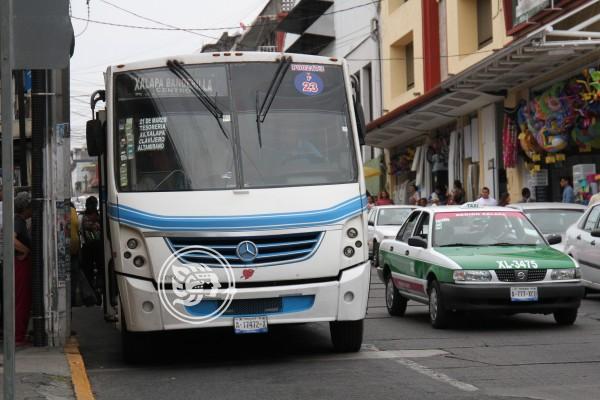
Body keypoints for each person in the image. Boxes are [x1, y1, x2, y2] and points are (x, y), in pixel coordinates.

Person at [14, 192, 33, 345]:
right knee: (22, 300)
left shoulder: (19, 221)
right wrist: (25, 250)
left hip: (20, 264)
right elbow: (11, 238)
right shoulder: (18, 222)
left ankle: (19, 334)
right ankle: (19, 336)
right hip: (20, 264)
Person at [80, 196, 103, 305]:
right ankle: (92, 295)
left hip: (93, 247)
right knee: (91, 271)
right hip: (91, 247)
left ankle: (96, 293)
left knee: (95, 271)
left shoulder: (88, 217)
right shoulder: (86, 218)